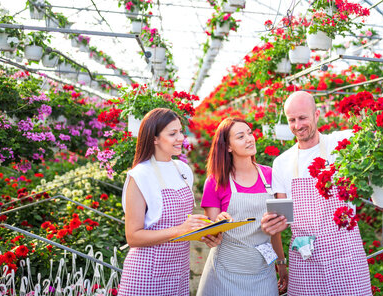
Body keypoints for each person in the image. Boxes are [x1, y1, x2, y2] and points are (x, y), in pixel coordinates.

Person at [260, 65, 383, 296]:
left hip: (345, 254)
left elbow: (376, 126)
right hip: (304, 257)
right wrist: (275, 241)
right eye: (291, 120)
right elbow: (282, 218)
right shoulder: (282, 162)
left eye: (303, 118)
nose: (298, 126)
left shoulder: (342, 142)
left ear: (317, 115)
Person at [118, 108, 221, 296]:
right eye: (173, 133)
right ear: (154, 138)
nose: (181, 137)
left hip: (178, 271)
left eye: (181, 131)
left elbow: (182, 225)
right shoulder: (140, 175)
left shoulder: (182, 170)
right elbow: (133, 237)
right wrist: (180, 230)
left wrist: (204, 232)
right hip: (147, 273)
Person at [197, 118, 288, 296]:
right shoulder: (216, 181)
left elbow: (275, 230)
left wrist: (282, 264)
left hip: (263, 272)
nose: (249, 139)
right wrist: (217, 223)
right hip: (223, 274)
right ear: (228, 146)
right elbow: (210, 235)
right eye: (240, 136)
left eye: (249, 133)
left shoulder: (270, 175)